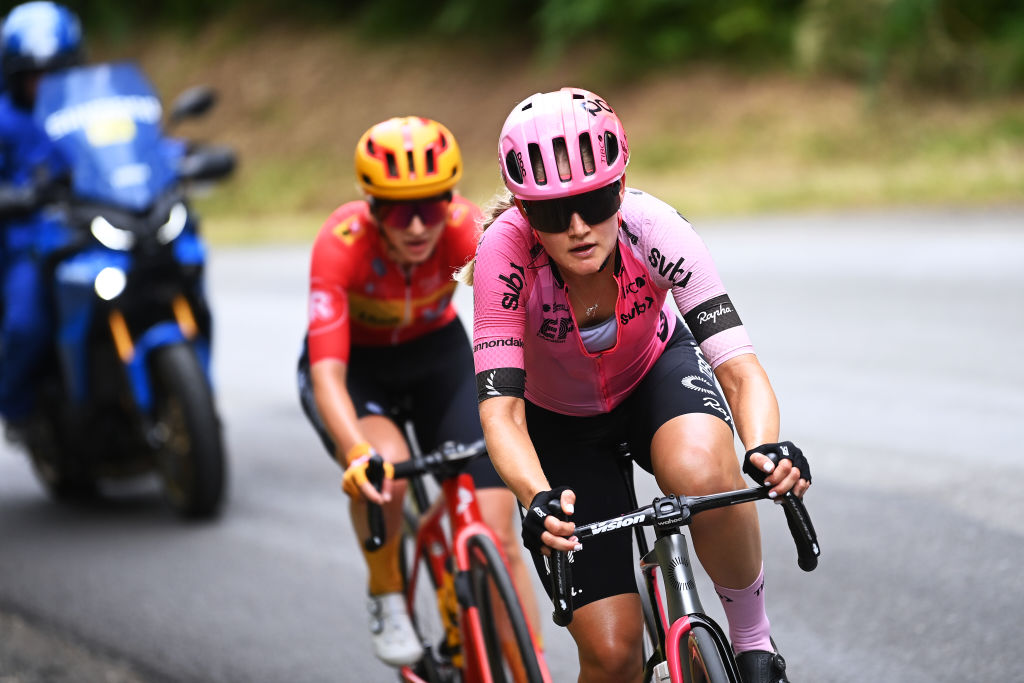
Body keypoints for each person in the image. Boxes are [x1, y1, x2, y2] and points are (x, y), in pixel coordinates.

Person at [462, 87, 812, 683]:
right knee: (612, 656)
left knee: (703, 471)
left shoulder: (655, 227)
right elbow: (503, 414)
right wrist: (536, 496)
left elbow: (738, 369)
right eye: (552, 213)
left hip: (654, 375)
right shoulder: (505, 253)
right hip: (559, 422)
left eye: (594, 202)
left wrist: (764, 448)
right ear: (524, 211)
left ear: (620, 189)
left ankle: (754, 642)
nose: (578, 228)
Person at [297, 116, 541, 668]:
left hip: (436, 357)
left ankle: (528, 669)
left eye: (429, 208)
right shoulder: (340, 244)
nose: (414, 227)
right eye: (396, 210)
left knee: (500, 534)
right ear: (371, 208)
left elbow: (524, 316)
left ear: (449, 201)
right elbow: (327, 375)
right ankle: (386, 592)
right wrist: (356, 452)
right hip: (358, 370)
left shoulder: (467, 230)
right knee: (385, 470)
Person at [0, 2, 81, 434]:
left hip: (90, 227)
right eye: (35, 75)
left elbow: (132, 141)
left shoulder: (85, 109)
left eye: (56, 72)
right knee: (26, 323)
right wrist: (16, 197)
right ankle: (17, 407)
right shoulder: (4, 120)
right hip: (30, 242)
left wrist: (180, 155)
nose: (45, 84)